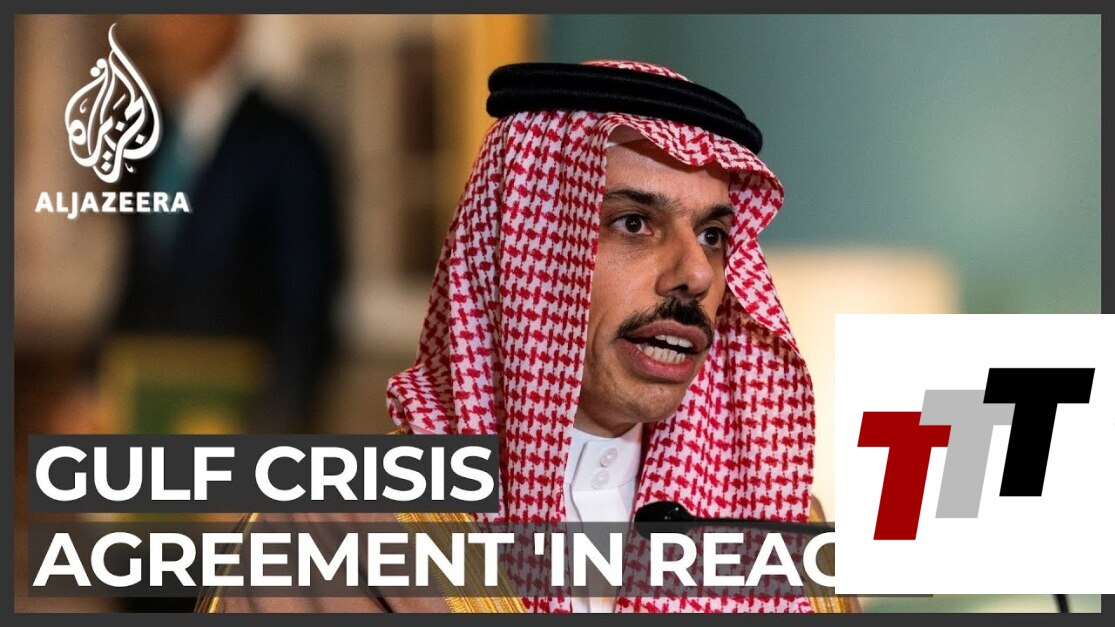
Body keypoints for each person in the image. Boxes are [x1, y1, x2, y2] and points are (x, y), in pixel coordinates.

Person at [201, 59, 854, 613]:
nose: (695, 272)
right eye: (633, 223)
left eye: (712, 235)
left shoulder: (789, 548)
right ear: (524, 254)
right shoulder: (321, 544)